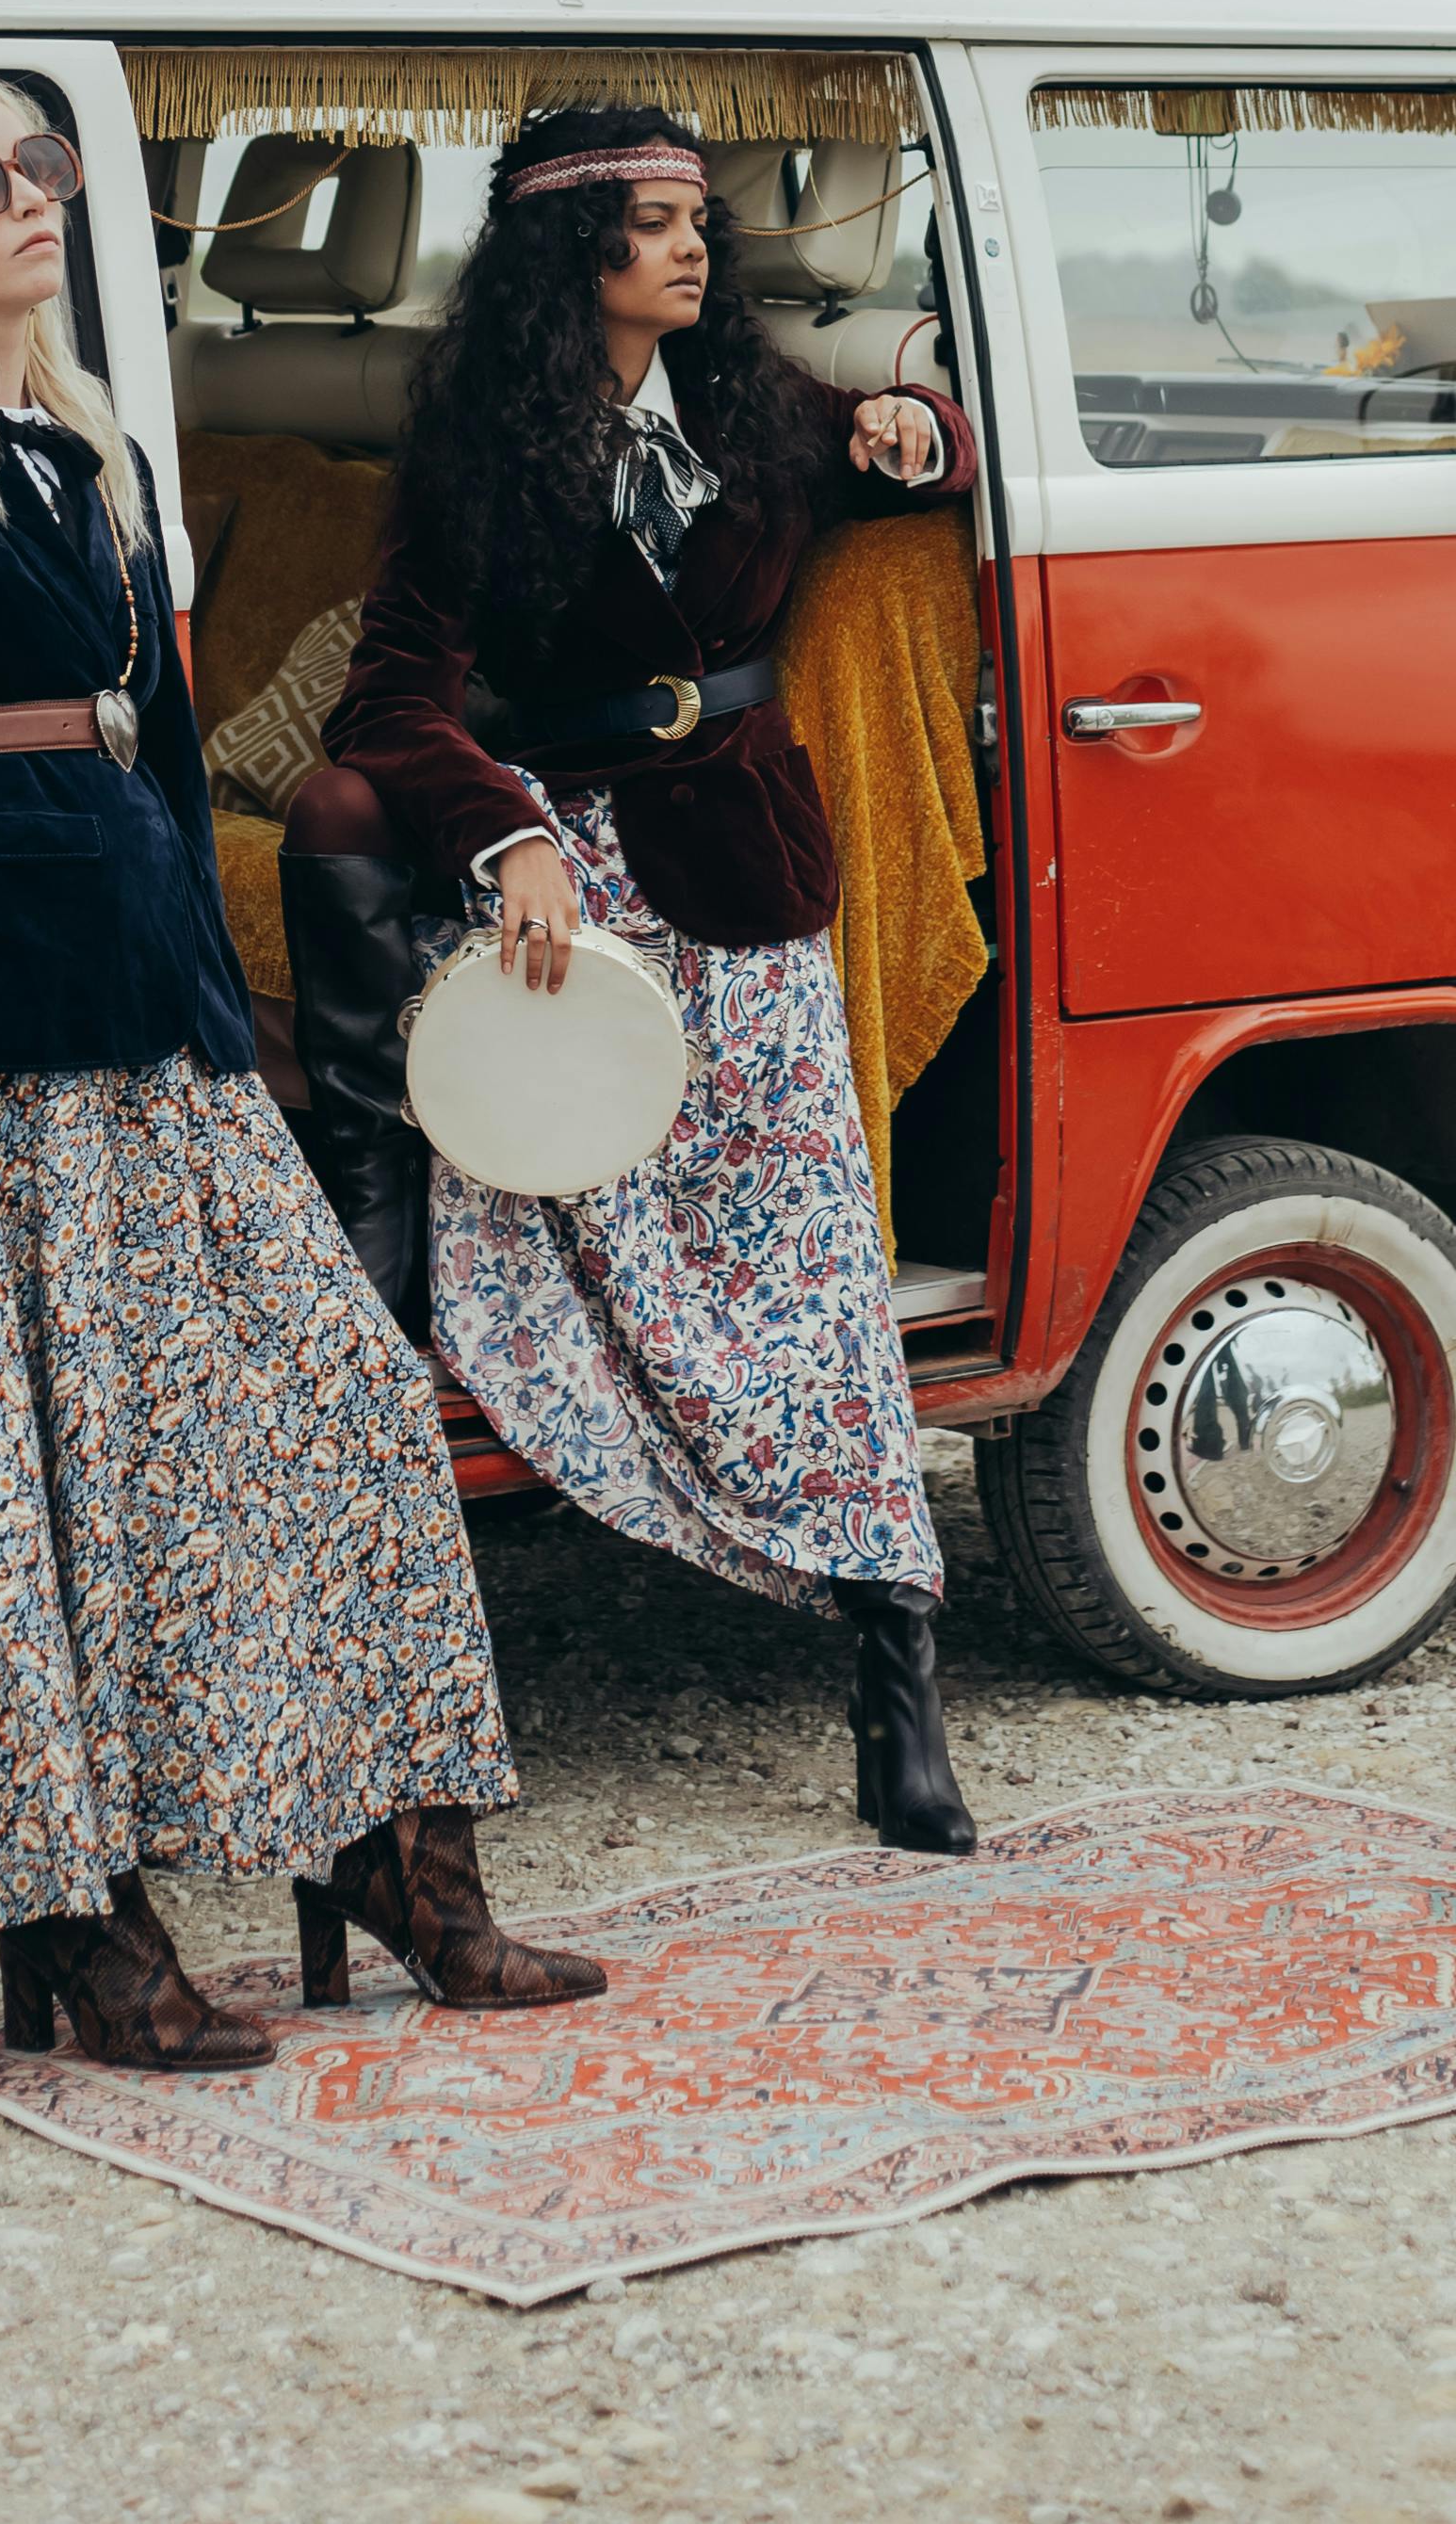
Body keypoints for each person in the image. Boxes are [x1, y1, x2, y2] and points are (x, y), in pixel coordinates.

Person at [0, 69, 602, 2064]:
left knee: (346, 1401)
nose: (33, 195)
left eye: (46, 161)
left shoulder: (85, 438)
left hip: (151, 995)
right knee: (26, 1485)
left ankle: (397, 1858)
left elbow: (149, 722)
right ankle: (76, 1918)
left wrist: (219, 986)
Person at [281, 101, 982, 1855]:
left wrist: (917, 426)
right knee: (554, 1240)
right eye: (653, 222)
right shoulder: (480, 454)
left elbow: (945, 454)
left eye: (697, 219)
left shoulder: (759, 408)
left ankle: (895, 1675)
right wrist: (501, 825)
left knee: (814, 1273)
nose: (692, 244)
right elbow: (388, 707)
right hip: (570, 893)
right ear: (563, 254)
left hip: (745, 869)